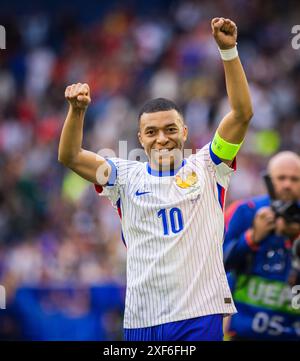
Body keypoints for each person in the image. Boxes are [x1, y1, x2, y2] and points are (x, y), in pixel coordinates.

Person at [58, 17, 253, 341]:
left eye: (170, 129)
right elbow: (70, 156)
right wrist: (76, 112)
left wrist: (228, 52)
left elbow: (242, 114)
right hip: (142, 317)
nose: (162, 138)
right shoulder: (123, 176)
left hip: (198, 314)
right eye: (152, 132)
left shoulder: (209, 165)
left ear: (185, 132)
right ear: (140, 137)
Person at [224, 151, 300, 340]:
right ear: (268, 180)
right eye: (281, 178)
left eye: (294, 179)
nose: (287, 184)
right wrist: (252, 238)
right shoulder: (245, 210)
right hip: (244, 331)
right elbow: (220, 264)